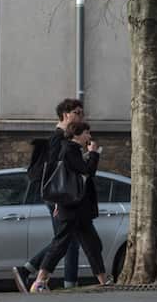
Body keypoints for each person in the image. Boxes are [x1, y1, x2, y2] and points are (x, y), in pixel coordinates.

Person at [27, 122, 111, 292]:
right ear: (77, 134)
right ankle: (39, 281)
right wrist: (94, 154)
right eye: (87, 133)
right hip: (73, 207)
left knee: (92, 244)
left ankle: (104, 281)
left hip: (76, 207)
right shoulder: (70, 149)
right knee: (61, 243)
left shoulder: (72, 150)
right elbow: (87, 171)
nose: (89, 137)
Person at [13, 98, 84, 292]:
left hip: (61, 196)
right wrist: (57, 203)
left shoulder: (66, 138)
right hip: (57, 196)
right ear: (65, 114)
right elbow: (54, 172)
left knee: (66, 238)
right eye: (77, 113)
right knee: (66, 240)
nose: (81, 116)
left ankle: (28, 270)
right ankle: (66, 284)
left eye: (82, 113)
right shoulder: (58, 138)